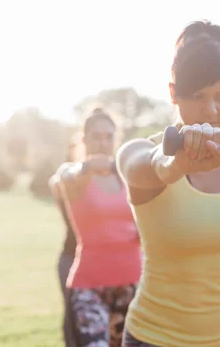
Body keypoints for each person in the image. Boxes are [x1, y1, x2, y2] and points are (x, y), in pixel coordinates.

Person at [116, 20, 220, 347]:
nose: (211, 110)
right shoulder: (139, 152)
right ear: (173, 93)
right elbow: (150, 169)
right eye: (198, 96)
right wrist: (175, 161)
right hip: (155, 339)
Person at [49, 108, 142, 347]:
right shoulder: (75, 177)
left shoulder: (128, 177)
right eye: (96, 136)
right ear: (83, 139)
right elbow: (63, 177)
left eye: (109, 136)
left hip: (132, 283)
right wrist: (89, 167)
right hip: (90, 286)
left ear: (116, 140)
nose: (103, 142)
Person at [49, 133, 86, 347]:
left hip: (99, 259)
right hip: (70, 257)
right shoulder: (65, 178)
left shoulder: (109, 176)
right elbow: (56, 182)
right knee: (72, 315)